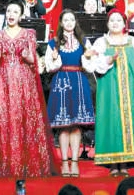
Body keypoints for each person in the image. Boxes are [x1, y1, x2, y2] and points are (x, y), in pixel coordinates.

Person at [0, 0, 55, 177]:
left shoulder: (29, 33)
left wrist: (27, 55)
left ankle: (26, 164)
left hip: (24, 80)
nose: (11, 14)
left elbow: (33, 61)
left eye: (15, 12)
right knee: (4, 118)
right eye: (9, 11)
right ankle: (4, 164)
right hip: (3, 80)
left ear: (21, 15)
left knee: (24, 117)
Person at [87, 9, 134, 176]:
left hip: (130, 88)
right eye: (112, 20)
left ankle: (125, 163)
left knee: (129, 120)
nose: (115, 23)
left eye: (118, 20)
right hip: (109, 89)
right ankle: (113, 164)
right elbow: (93, 65)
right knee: (112, 121)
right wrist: (107, 60)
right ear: (107, 24)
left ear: (124, 23)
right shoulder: (101, 42)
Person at [44, 10, 95, 177]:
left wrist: (87, 57)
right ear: (61, 22)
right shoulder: (54, 43)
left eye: (72, 19)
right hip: (61, 83)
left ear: (75, 22)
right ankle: (65, 163)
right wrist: (54, 58)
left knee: (76, 126)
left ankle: (75, 162)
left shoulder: (84, 41)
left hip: (79, 82)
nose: (69, 22)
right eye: (65, 20)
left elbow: (90, 67)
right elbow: (49, 67)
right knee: (64, 126)